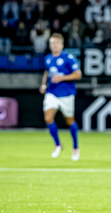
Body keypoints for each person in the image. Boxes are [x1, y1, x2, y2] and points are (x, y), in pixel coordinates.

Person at [39, 33, 82, 161]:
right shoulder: (47, 58)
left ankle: (75, 147)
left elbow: (78, 74)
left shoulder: (68, 58)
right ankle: (58, 144)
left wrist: (62, 78)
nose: (54, 45)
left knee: (69, 121)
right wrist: (43, 84)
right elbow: (47, 72)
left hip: (66, 94)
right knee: (48, 117)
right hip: (52, 92)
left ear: (62, 45)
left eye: (57, 43)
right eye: (52, 43)